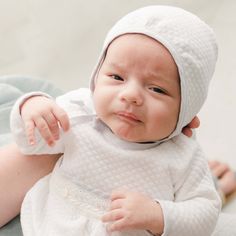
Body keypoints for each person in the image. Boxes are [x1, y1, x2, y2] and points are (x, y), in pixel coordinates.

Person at [9, 5, 221, 236]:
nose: (130, 95)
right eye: (117, 77)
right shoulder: (82, 114)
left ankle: (221, 182)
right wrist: (32, 108)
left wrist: (158, 214)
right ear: (97, 76)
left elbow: (205, 212)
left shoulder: (183, 156)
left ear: (187, 109)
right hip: (52, 225)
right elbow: (29, 143)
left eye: (157, 89)